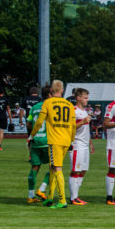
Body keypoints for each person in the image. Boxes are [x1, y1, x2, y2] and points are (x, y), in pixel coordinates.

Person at [29, 80, 76, 209]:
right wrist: (71, 140)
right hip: (66, 140)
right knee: (52, 167)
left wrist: (32, 135)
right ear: (62, 91)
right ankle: (49, 198)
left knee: (57, 168)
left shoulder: (48, 103)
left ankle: (62, 200)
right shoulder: (69, 104)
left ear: (51, 91)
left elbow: (39, 122)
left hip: (55, 140)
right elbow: (73, 126)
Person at [68, 88, 94, 205]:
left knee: (83, 170)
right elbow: (70, 127)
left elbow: (86, 130)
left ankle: (76, 195)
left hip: (85, 144)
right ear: (78, 98)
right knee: (75, 170)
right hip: (76, 144)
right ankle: (73, 198)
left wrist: (90, 143)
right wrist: (82, 122)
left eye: (87, 97)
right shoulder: (73, 110)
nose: (87, 100)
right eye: (85, 97)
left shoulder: (84, 111)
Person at [25, 85, 51, 203]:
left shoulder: (34, 107)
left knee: (35, 167)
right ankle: (42, 189)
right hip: (47, 141)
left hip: (35, 141)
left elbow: (29, 124)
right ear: (50, 94)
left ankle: (30, 195)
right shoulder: (51, 106)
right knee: (55, 167)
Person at [0, 87, 11, 151]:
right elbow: (8, 109)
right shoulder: (6, 99)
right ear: (3, 92)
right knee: (1, 131)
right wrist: (10, 119)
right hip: (3, 117)